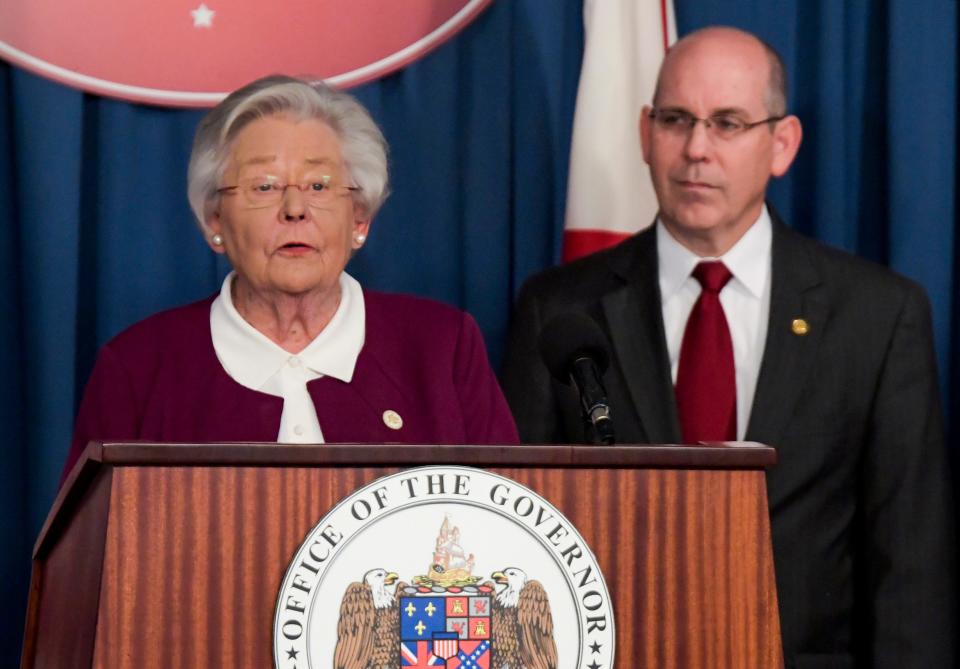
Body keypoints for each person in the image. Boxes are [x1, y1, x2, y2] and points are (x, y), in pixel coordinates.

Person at [501, 26, 955, 667]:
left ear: (782, 144)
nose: (695, 150)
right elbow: (523, 531)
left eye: (728, 123)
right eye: (676, 119)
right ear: (643, 133)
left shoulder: (877, 316)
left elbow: (909, 563)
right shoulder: (560, 309)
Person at [62, 75, 518, 479]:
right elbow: (91, 563)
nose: (295, 209)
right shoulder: (138, 367)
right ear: (214, 220)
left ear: (359, 218)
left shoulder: (442, 347)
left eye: (319, 186)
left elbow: (506, 535)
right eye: (265, 187)